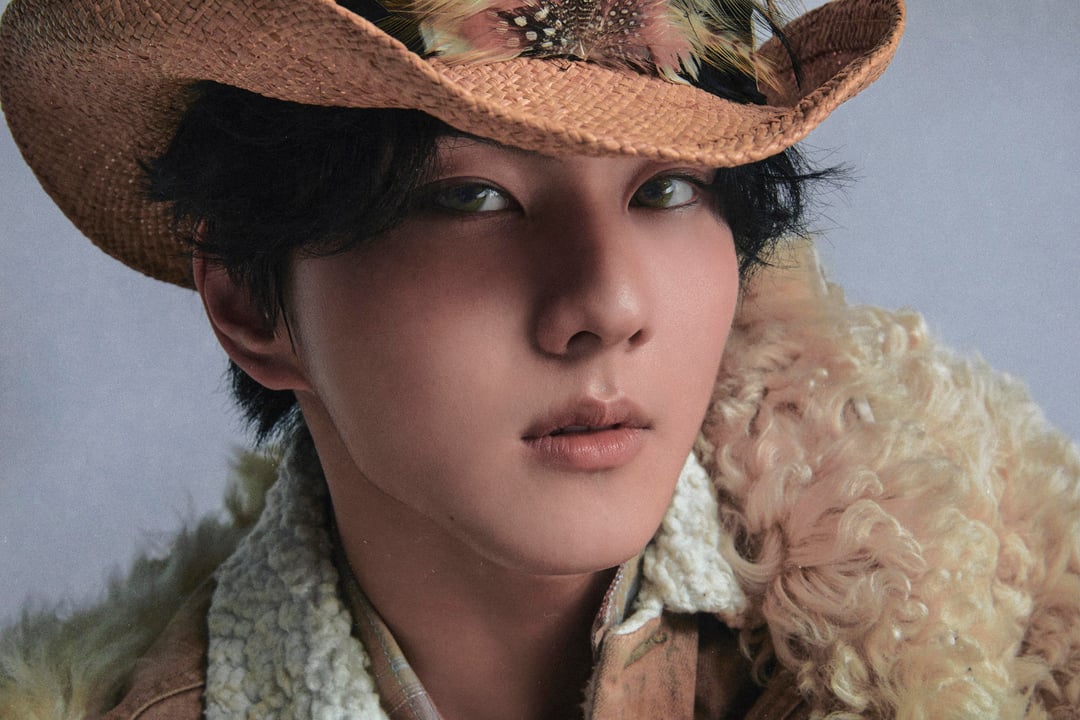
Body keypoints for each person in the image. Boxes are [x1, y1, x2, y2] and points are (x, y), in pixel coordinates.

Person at [0, 0, 1077, 718]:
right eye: (473, 198)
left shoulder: (997, 628)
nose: (606, 304)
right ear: (248, 302)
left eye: (667, 188)